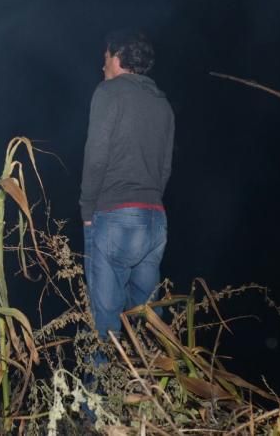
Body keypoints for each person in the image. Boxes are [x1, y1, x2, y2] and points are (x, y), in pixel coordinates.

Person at [80, 30, 174, 342]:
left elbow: (96, 157)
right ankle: (154, 383)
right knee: (148, 317)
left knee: (104, 323)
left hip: (115, 218)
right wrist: (148, 202)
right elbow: (164, 168)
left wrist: (87, 209)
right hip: (154, 220)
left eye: (105, 57)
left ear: (118, 57)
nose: (102, 65)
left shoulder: (109, 92)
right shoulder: (163, 105)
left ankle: (100, 390)